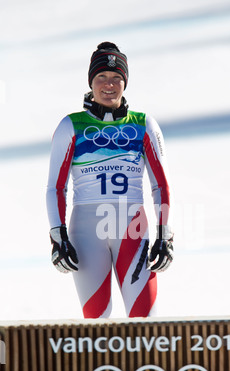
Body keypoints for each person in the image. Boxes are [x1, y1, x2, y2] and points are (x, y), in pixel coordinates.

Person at [46, 41, 173, 318]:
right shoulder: (71, 124)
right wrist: (58, 236)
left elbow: (160, 185)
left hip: (133, 227)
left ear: (125, 83)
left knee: (146, 322)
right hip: (86, 230)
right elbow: (56, 187)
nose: (109, 84)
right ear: (91, 82)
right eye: (101, 77)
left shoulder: (143, 123)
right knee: (96, 324)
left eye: (117, 78)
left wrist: (164, 233)